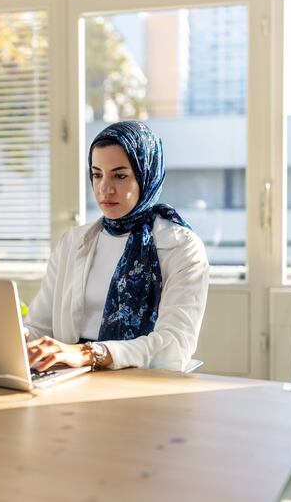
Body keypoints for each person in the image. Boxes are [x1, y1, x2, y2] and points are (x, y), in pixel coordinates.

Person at [25, 121, 209, 372]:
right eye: (97, 174)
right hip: (68, 375)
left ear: (147, 176)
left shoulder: (182, 247)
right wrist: (9, 340)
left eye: (120, 176)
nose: (105, 189)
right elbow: (39, 326)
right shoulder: (72, 242)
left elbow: (174, 345)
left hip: (141, 382)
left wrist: (90, 353)